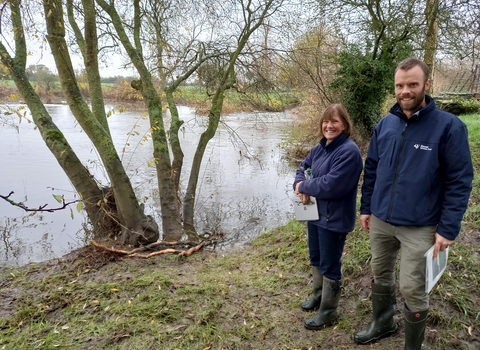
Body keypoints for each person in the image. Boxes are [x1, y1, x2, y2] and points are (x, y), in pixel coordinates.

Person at [354, 58, 474, 350]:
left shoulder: (449, 127)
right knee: (380, 273)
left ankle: (413, 346)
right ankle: (383, 323)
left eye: (412, 85)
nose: (405, 91)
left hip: (421, 224)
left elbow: (460, 181)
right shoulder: (386, 124)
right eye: (399, 85)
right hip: (381, 219)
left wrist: (448, 228)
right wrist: (366, 207)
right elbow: (372, 169)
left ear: (426, 85)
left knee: (412, 286)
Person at [293, 103, 363, 330]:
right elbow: (302, 168)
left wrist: (306, 185)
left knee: (330, 264)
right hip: (315, 214)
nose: (329, 125)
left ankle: (329, 310)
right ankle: (318, 295)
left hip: (334, 219)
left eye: (335, 121)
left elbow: (331, 185)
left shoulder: (349, 152)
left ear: (344, 125)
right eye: (326, 121)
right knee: (315, 257)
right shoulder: (320, 148)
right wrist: (299, 185)